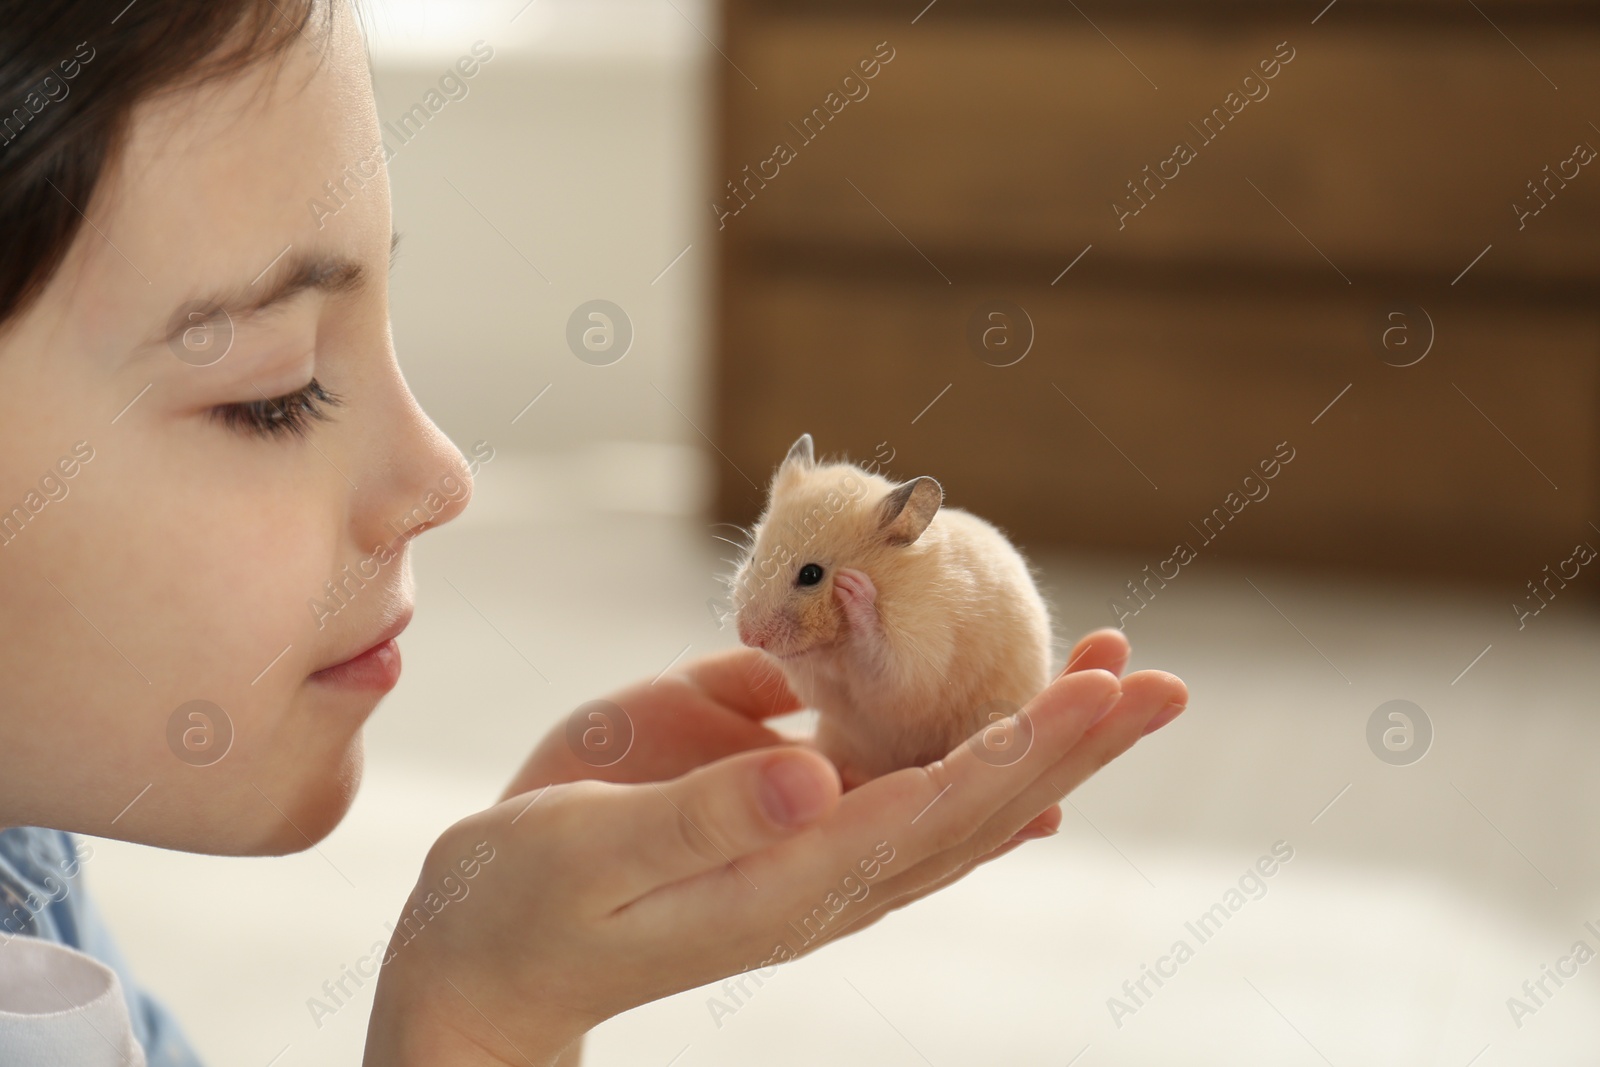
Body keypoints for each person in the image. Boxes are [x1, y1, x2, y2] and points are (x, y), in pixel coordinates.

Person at [0, 2, 1189, 1064]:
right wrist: (475, 1018)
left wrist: (487, 954)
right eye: (280, 388)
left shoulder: (28, 860)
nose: (445, 476)